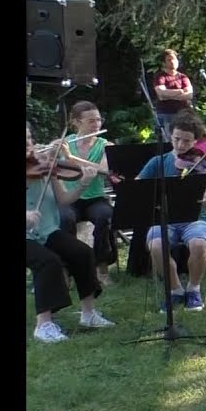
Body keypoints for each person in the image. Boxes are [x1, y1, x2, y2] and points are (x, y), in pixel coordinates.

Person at [26, 123, 115, 342]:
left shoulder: (44, 166)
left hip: (45, 231)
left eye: (28, 137)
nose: (29, 143)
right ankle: (43, 325)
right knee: (48, 262)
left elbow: (64, 200)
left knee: (82, 252)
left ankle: (88, 314)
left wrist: (84, 183)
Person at [136, 110, 206, 313]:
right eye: (176, 139)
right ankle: (175, 290)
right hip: (165, 218)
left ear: (196, 142)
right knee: (156, 245)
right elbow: (137, 189)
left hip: (196, 217)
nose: (180, 145)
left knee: (198, 244)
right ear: (169, 136)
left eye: (187, 142)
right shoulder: (158, 162)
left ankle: (193, 289)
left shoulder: (202, 164)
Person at [55, 101, 117, 286]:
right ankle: (67, 270)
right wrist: (52, 153)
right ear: (76, 122)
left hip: (95, 198)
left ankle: (102, 268)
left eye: (98, 120)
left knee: (104, 216)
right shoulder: (65, 143)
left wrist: (70, 158)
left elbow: (104, 170)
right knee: (64, 218)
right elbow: (58, 171)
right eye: (91, 121)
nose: (97, 125)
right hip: (70, 197)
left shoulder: (105, 144)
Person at [152, 49, 194, 137]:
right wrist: (180, 91)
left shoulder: (183, 77)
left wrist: (169, 95)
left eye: (174, 59)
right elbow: (161, 93)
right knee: (169, 140)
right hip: (166, 114)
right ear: (164, 63)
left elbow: (189, 95)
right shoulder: (160, 77)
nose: (172, 62)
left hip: (182, 114)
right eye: (169, 60)